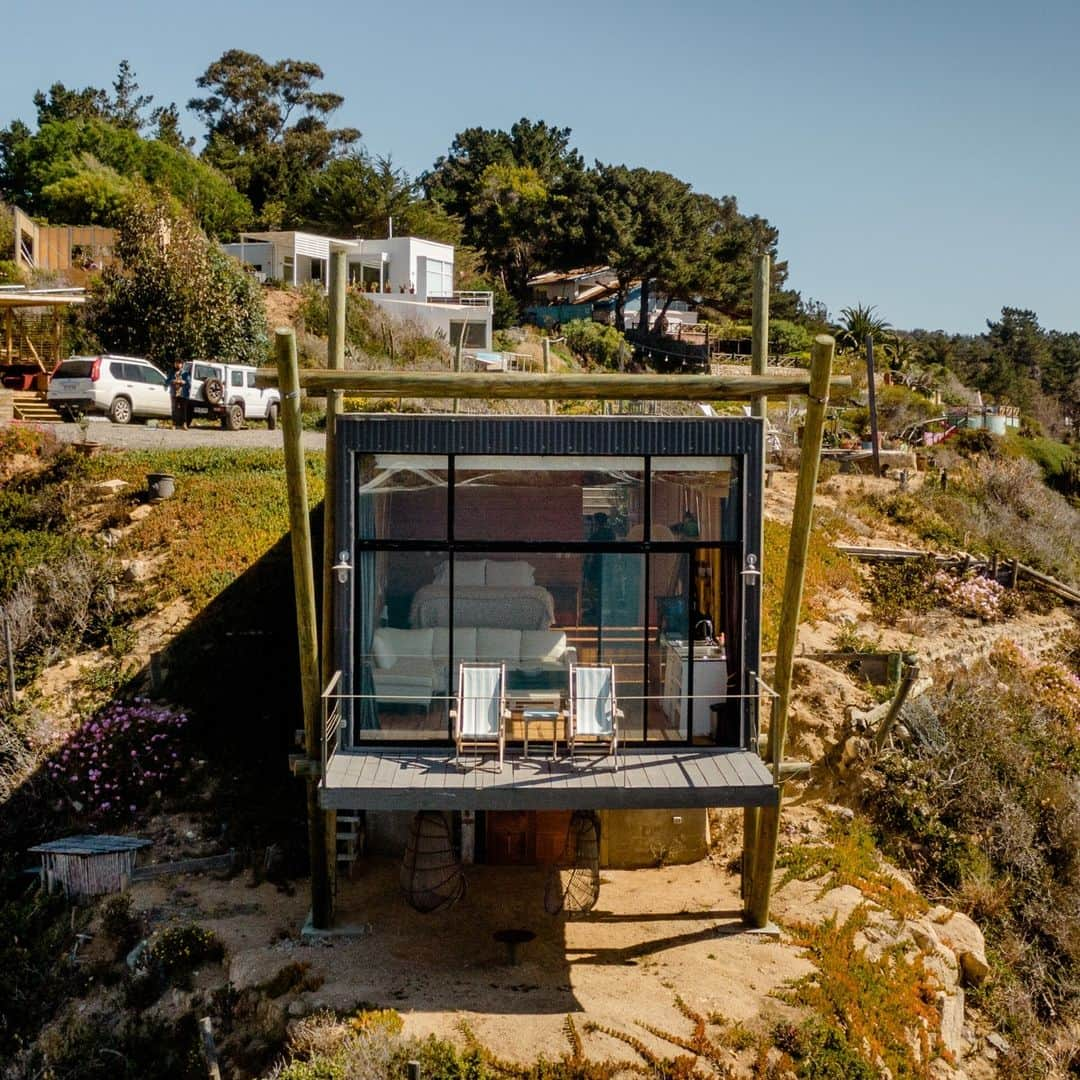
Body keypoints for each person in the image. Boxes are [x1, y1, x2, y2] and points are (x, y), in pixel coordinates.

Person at [170, 359, 190, 429]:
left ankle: (184, 424)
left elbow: (188, 383)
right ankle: (173, 424)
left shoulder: (185, 373)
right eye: (176, 363)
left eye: (179, 363)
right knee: (174, 409)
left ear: (182, 365)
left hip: (183, 393)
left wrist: (183, 382)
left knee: (183, 409)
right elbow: (168, 380)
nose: (177, 365)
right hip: (174, 393)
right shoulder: (172, 372)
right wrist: (174, 381)